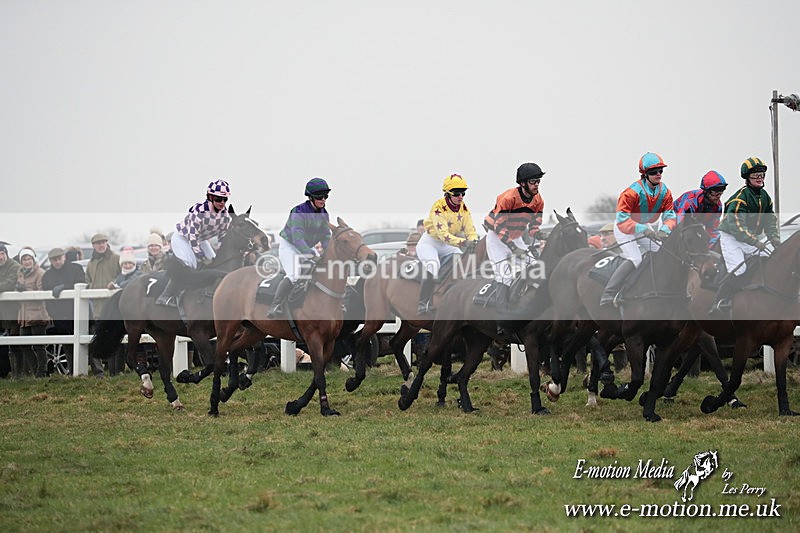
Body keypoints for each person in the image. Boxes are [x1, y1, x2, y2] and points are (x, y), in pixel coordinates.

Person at [600, 152, 677, 306]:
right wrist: (643, 229)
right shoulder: (631, 193)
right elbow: (622, 219)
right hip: (624, 228)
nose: (658, 174)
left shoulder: (665, 191)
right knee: (635, 258)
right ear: (645, 174)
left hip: (643, 225)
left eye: (661, 171)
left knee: (661, 253)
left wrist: (665, 230)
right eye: (654, 172)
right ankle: (609, 293)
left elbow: (669, 215)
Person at [710, 157, 780, 313]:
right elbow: (737, 226)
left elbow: (770, 220)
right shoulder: (739, 199)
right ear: (747, 178)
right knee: (739, 270)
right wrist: (755, 242)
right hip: (732, 237)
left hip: (750, 238)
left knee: (766, 263)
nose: (759, 178)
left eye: (762, 175)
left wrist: (774, 236)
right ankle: (719, 302)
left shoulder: (765, 197)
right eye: (755, 175)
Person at [157, 179, 232, 306]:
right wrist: (202, 257)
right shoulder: (199, 211)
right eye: (219, 199)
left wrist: (220, 253)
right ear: (210, 197)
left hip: (200, 240)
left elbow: (222, 237)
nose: (222, 203)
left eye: (225, 200)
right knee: (190, 265)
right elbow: (192, 238)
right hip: (183, 239)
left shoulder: (225, 216)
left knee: (215, 261)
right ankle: (165, 295)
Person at [483, 163, 545, 310]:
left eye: (538, 181)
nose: (536, 185)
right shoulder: (508, 198)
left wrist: (539, 233)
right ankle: (501, 317)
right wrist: (512, 247)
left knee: (536, 268)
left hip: (516, 237)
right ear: (522, 183)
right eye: (533, 182)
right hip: (496, 238)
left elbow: (533, 227)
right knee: (505, 276)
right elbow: (499, 226)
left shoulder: (538, 201)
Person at [268, 177, 332, 318]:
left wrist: (328, 254)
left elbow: (326, 237)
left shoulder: (324, 214)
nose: (323, 199)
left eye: (325, 196)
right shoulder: (298, 212)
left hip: (306, 247)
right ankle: (275, 305)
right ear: (310, 197)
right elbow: (298, 240)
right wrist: (312, 255)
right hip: (290, 245)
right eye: (319, 196)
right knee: (294, 274)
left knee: (322, 269)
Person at [416, 174, 479, 315]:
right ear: (448, 194)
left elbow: (470, 230)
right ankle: (423, 303)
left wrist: (474, 240)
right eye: (457, 194)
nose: (461, 197)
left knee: (460, 258)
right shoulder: (438, 207)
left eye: (463, 193)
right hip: (430, 243)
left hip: (448, 245)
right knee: (433, 265)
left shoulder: (464, 208)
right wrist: (463, 242)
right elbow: (443, 234)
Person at [41, 247, 86, 370]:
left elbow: (82, 283)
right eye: (54, 260)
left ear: (64, 257)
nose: (58, 262)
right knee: (67, 344)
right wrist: (52, 313)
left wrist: (65, 287)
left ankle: (90, 371)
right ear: (50, 261)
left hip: (77, 311)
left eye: (59, 258)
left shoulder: (76, 269)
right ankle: (71, 371)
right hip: (59, 314)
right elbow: (46, 296)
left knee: (84, 342)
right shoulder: (47, 276)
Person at [85, 233, 121, 377]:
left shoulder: (116, 259)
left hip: (114, 307)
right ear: (93, 245)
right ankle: (98, 372)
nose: (101, 245)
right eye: (98, 243)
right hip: (97, 308)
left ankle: (115, 372)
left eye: (103, 242)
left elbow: (123, 275)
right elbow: (87, 281)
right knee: (98, 338)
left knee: (113, 338)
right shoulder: (90, 263)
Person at [15, 248, 50, 377]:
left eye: (29, 259)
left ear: (33, 259)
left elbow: (42, 294)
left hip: (37, 313)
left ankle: (42, 372)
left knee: (39, 346)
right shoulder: (20, 273)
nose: (27, 261)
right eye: (24, 259)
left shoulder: (40, 273)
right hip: (24, 314)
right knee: (24, 345)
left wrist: (25, 291)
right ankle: (35, 370)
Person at [674, 170, 728, 249]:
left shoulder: (718, 206)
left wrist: (709, 249)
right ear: (706, 192)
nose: (718, 196)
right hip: (673, 219)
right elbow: (680, 224)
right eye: (715, 193)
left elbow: (713, 231)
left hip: (695, 225)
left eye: (721, 192)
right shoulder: (690, 201)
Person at [0, 243, 21, 378]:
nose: (0, 257)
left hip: (14, 311)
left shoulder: (15, 267)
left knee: (15, 343)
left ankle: (18, 373)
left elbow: (9, 283)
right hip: (2, 312)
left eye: (2, 253)